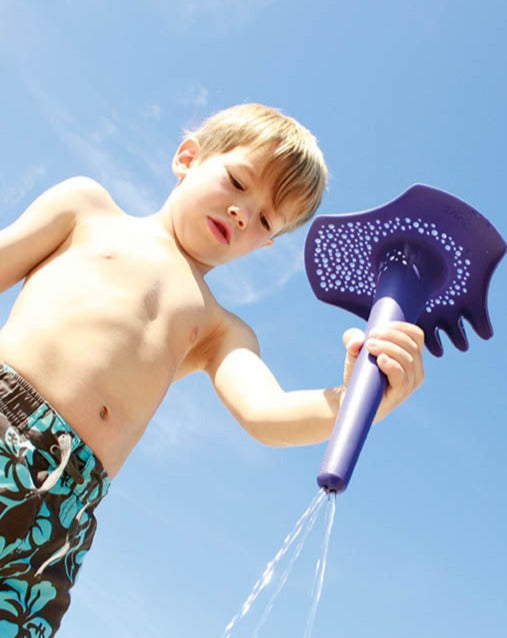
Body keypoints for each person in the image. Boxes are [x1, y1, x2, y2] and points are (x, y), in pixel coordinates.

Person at [0, 103, 424, 634]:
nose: (244, 213)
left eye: (266, 219)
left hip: (67, 506)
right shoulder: (88, 210)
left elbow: (266, 414)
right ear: (188, 158)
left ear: (266, 243)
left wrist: (359, 402)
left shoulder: (221, 329)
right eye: (237, 181)